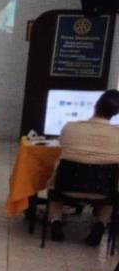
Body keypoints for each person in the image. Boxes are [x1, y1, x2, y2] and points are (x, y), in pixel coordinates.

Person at [48, 90, 119, 246]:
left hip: (65, 188)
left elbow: (61, 144)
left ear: (95, 105)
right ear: (115, 113)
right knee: (113, 188)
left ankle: (55, 221)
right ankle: (100, 224)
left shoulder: (70, 128)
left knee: (55, 182)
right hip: (103, 192)